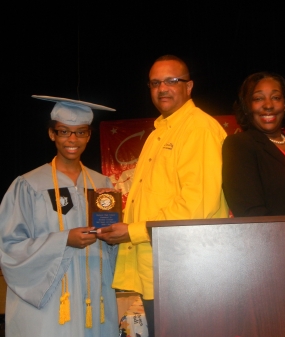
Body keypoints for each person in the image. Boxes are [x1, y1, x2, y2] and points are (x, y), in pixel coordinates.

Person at [96, 55, 229, 337]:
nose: (162, 88)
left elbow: (196, 205)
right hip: (159, 269)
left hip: (184, 271)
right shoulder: (160, 131)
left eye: (172, 80)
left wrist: (132, 231)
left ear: (189, 86)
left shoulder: (198, 128)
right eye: (155, 83)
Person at [0, 96, 119, 336]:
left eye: (80, 132)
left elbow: (113, 245)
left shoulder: (102, 184)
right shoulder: (28, 185)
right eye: (64, 131)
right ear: (52, 134)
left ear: (89, 135)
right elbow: (9, 246)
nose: (72, 139)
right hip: (48, 296)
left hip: (94, 292)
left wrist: (114, 238)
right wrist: (64, 240)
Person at [222, 72, 285, 217]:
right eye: (258, 98)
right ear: (247, 106)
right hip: (274, 239)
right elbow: (249, 211)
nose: (268, 105)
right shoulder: (240, 145)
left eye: (276, 98)